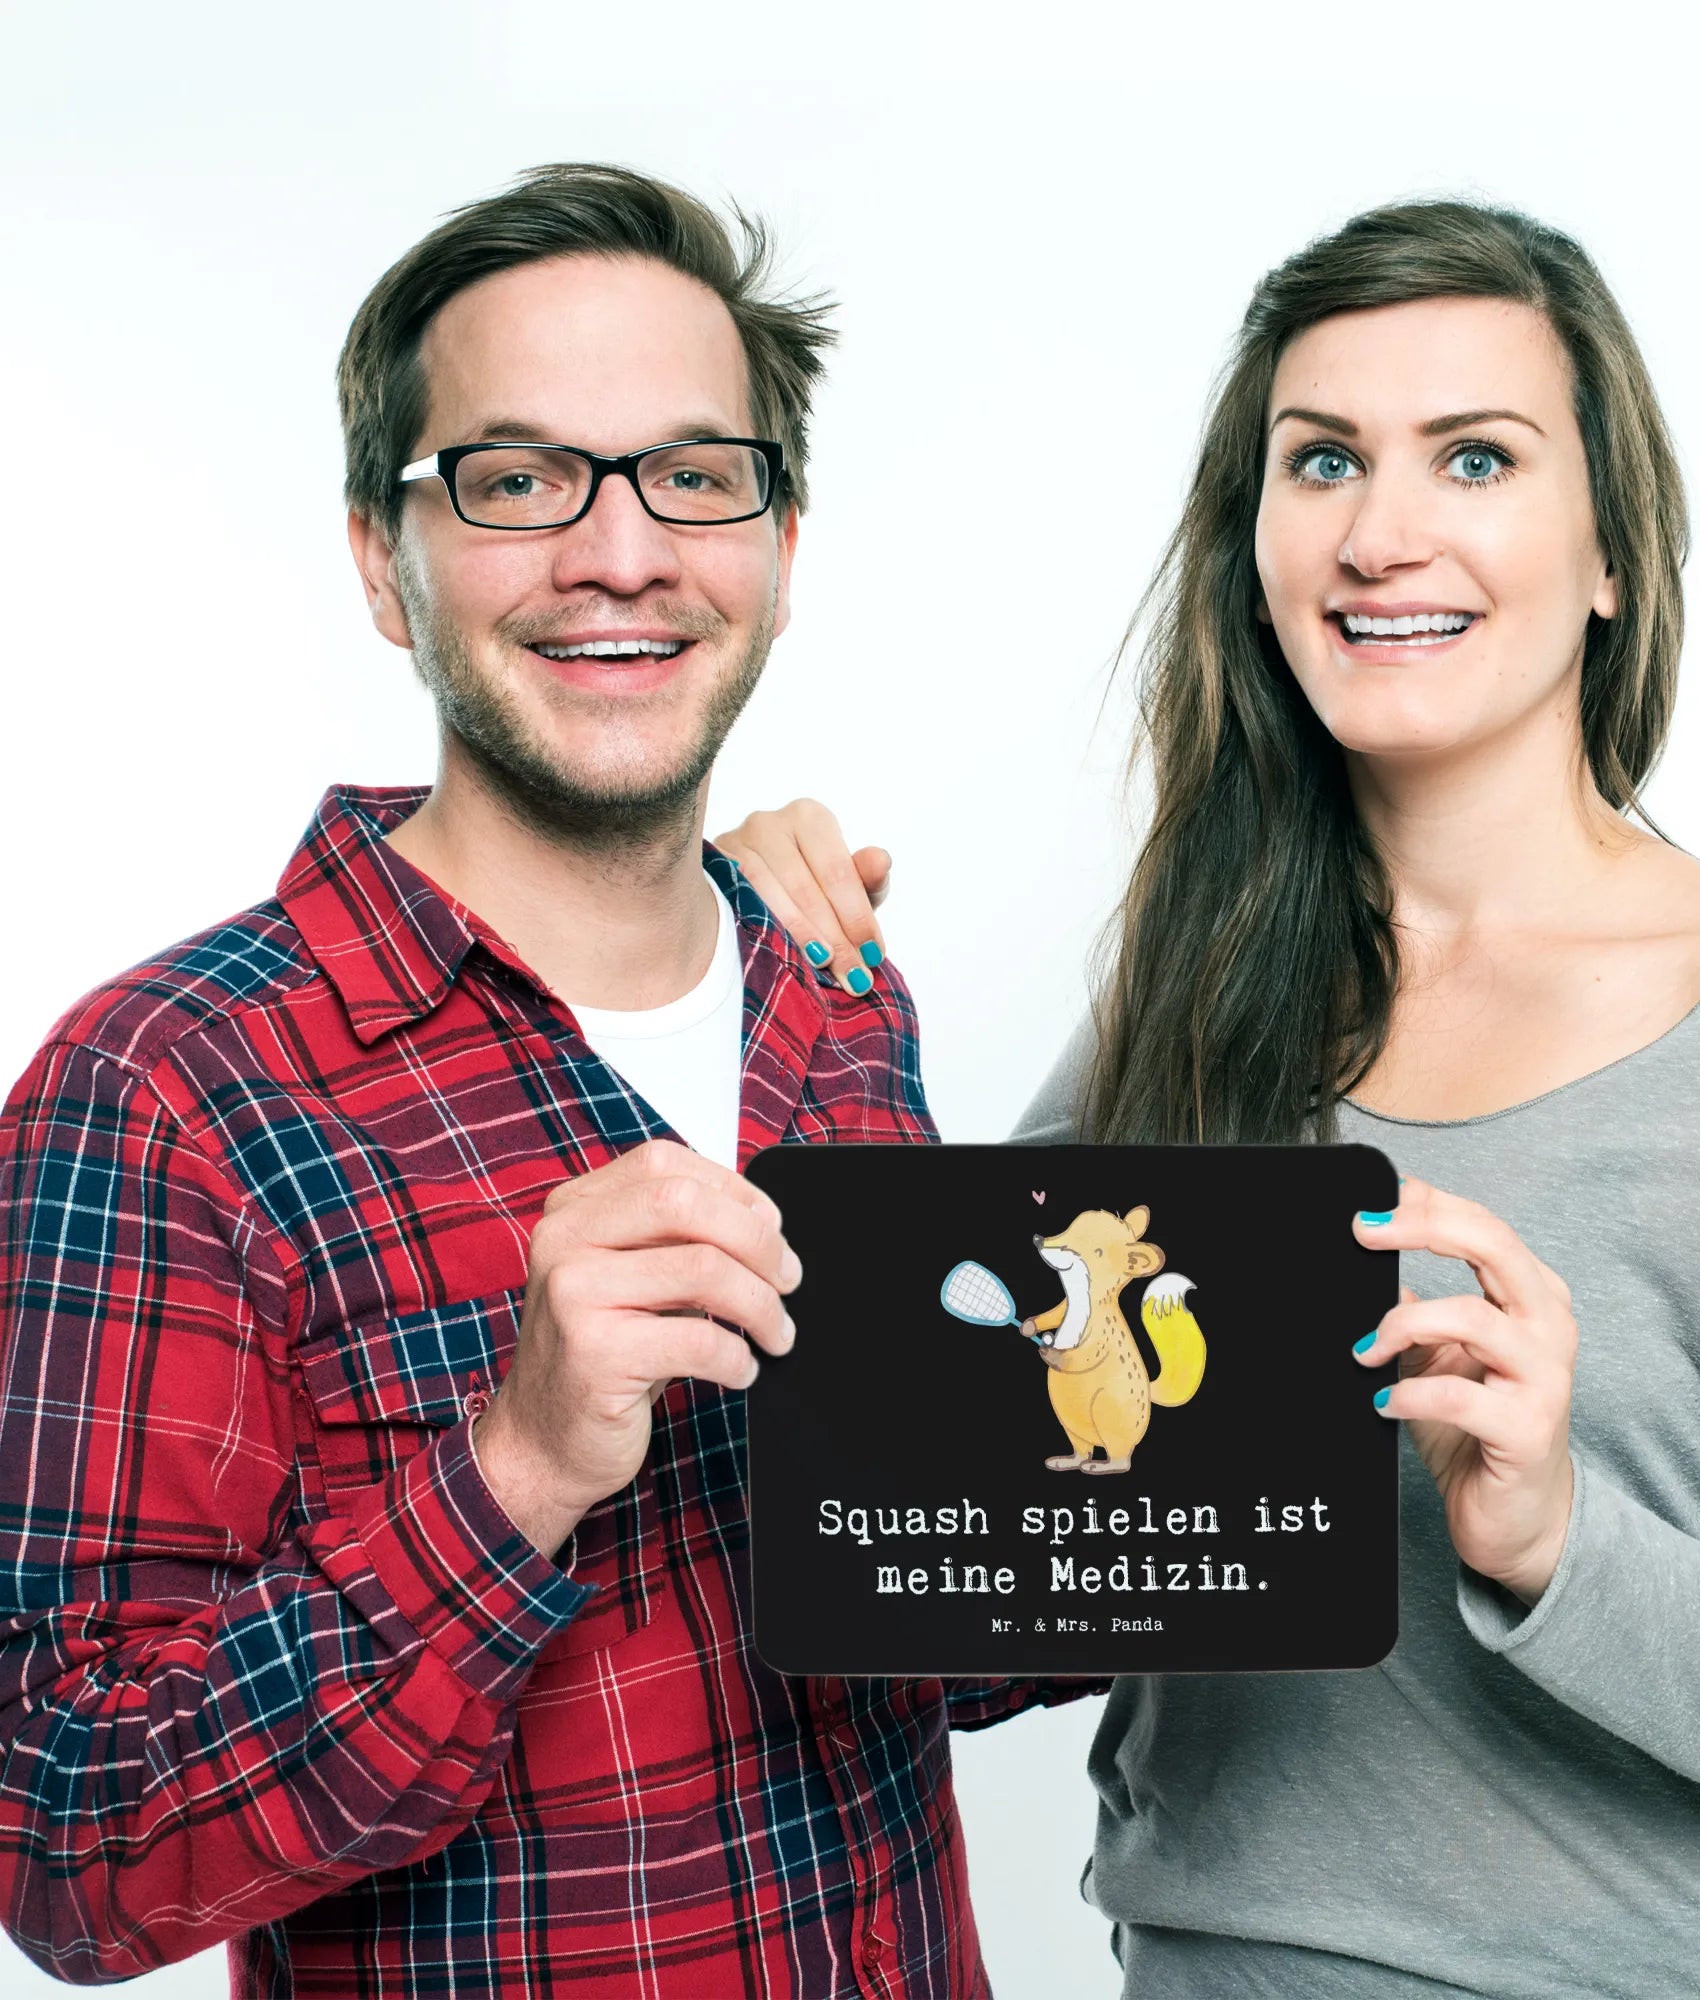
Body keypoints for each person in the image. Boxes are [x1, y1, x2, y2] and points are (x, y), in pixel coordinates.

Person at [715, 199, 1700, 1997]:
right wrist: (757, 966)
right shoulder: (1195, 980)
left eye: (1475, 457)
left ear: (1611, 552)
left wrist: (1557, 1542)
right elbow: (925, 1456)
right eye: (1321, 460)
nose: (1381, 535)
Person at [0, 163, 1093, 1996]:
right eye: (517, 482)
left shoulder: (836, 997)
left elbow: (920, 1646)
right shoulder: (166, 1093)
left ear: (780, 547)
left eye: (694, 475)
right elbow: (69, 1851)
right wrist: (513, 1470)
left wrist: (1254, 1445)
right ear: (385, 561)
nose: (622, 553)